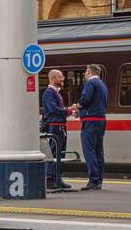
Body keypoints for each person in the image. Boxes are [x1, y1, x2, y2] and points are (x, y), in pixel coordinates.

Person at [76, 63, 109, 191]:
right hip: (101, 120)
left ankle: (93, 180)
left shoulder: (90, 83)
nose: (85, 74)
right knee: (98, 151)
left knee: (89, 151)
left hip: (90, 121)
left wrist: (78, 106)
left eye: (86, 72)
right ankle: (99, 179)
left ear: (89, 72)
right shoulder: (102, 85)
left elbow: (85, 98)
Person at [41, 69, 72, 191]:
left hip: (60, 125)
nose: (63, 79)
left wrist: (68, 111)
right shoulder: (49, 93)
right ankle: (50, 178)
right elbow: (53, 109)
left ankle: (57, 177)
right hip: (55, 126)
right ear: (53, 78)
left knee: (61, 152)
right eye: (60, 77)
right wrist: (68, 110)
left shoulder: (56, 92)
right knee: (54, 152)